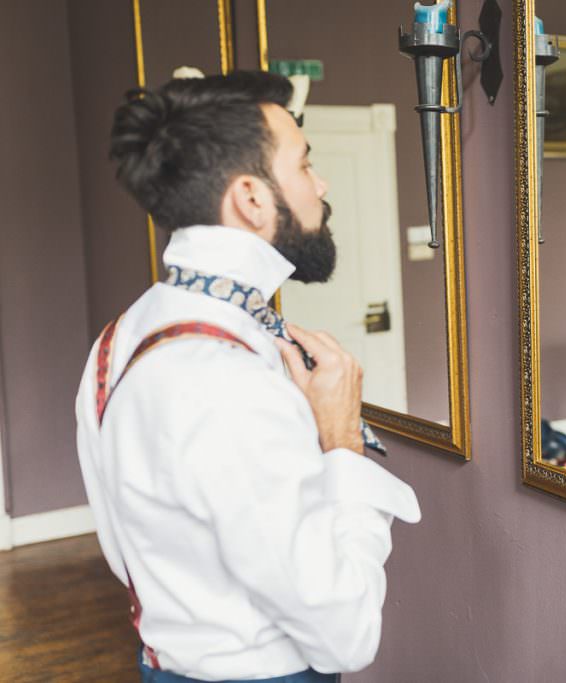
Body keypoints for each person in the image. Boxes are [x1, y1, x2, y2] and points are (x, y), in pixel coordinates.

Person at [74, 70, 420, 682]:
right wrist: (341, 443)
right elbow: (348, 635)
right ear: (251, 198)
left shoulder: (118, 340)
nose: (322, 184)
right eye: (306, 164)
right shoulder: (226, 382)